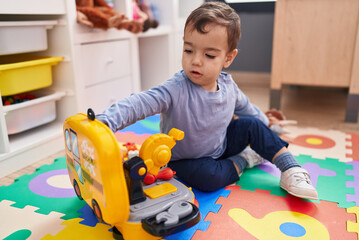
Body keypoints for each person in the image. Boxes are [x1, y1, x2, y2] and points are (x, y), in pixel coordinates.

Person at [96, 1, 318, 200]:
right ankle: (246, 159)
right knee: (209, 179)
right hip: (184, 160)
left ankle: (291, 170)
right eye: (189, 50)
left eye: (209, 55)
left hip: (221, 145)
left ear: (228, 58)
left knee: (253, 125)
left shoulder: (229, 87)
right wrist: (106, 121)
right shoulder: (175, 89)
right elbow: (140, 103)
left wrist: (268, 125)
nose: (196, 61)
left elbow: (248, 110)